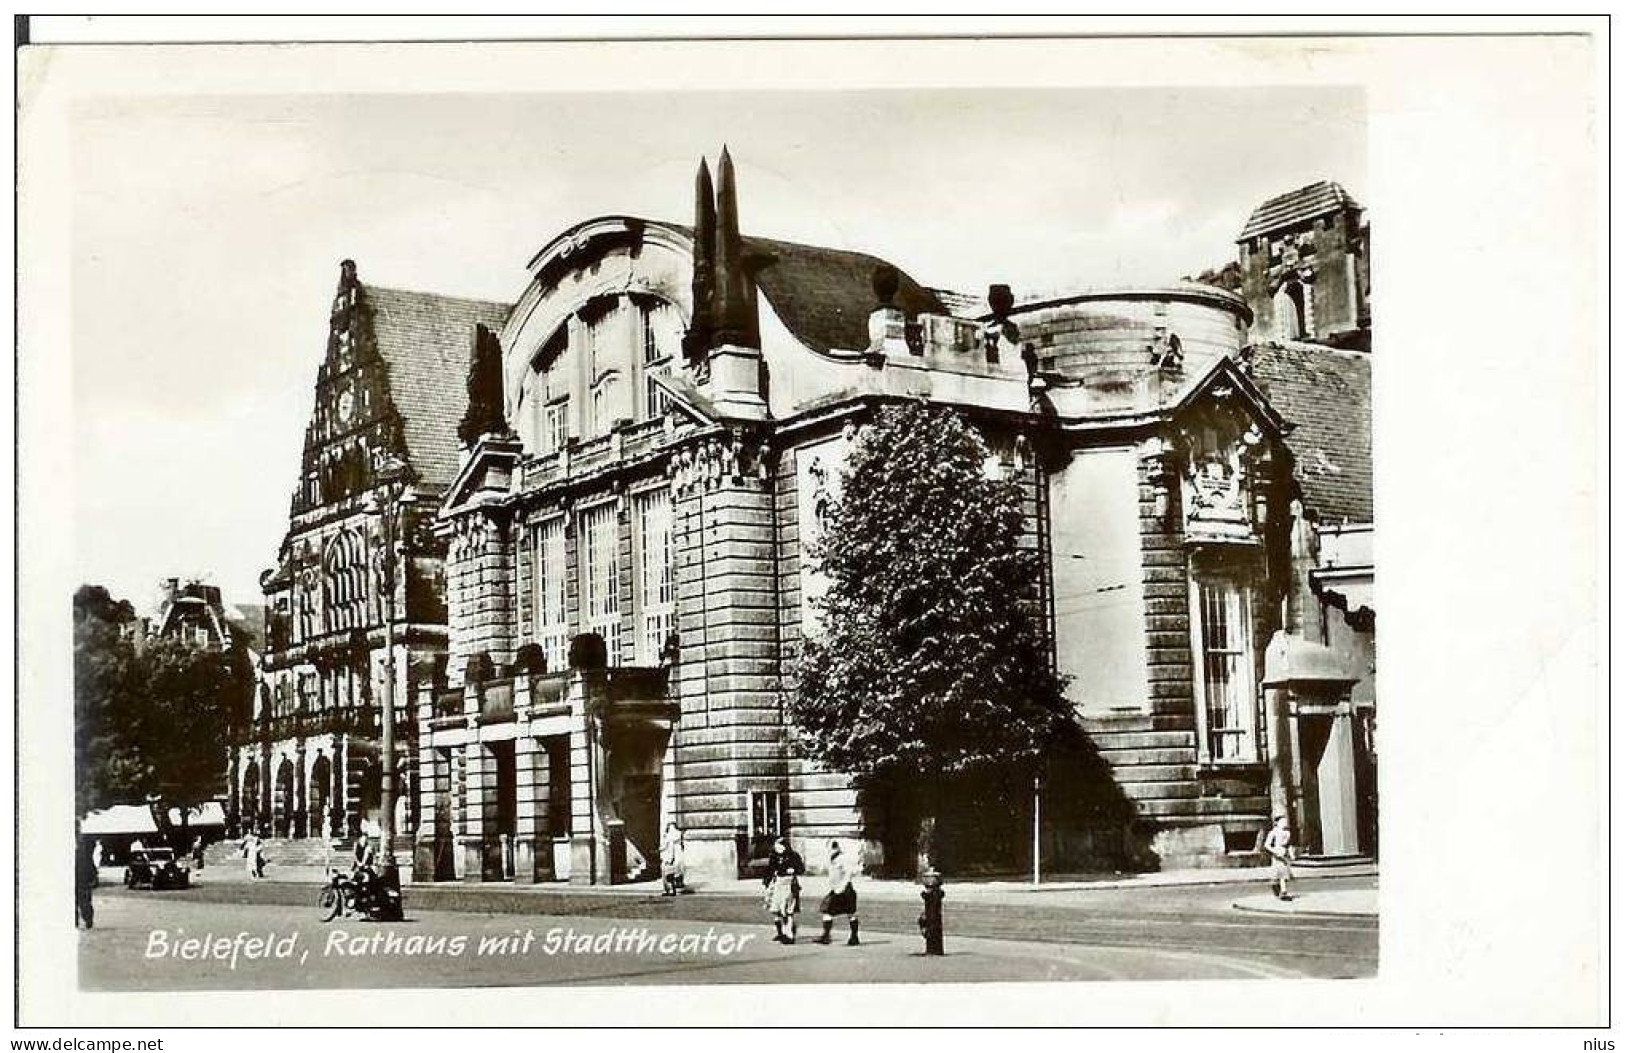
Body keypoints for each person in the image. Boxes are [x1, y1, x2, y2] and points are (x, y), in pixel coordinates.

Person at [815, 840, 860, 946]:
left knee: (850, 912)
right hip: (835, 889)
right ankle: (826, 935)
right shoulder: (832, 859)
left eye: (830, 848)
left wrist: (842, 887)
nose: (828, 851)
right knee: (827, 910)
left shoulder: (842, 858)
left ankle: (854, 936)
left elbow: (849, 873)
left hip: (844, 890)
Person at [761, 837, 805, 945]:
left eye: (780, 846)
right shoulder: (774, 856)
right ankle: (781, 933)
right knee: (776, 909)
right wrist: (767, 882)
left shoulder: (793, 856)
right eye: (776, 846)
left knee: (787, 910)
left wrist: (794, 870)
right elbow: (770, 869)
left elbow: (801, 868)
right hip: (778, 884)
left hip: (789, 884)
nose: (778, 848)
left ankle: (789, 934)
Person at [1263, 815, 1294, 901]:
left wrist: (1291, 854)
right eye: (1282, 821)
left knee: (1284, 874)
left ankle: (1284, 892)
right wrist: (1275, 852)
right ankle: (1278, 889)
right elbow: (1266, 845)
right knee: (1277, 873)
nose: (1284, 823)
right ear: (1277, 823)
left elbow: (1288, 844)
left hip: (1284, 854)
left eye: (1285, 821)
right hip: (1277, 855)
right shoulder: (1273, 832)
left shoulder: (1287, 833)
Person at [75, 837, 98, 929]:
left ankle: (81, 921)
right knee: (84, 900)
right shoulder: (85, 851)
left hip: (80, 876)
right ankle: (87, 920)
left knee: (80, 900)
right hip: (82, 877)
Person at [659, 822, 686, 897]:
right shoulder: (671, 837)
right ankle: (669, 889)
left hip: (670, 857)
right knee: (668, 874)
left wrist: (670, 858)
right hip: (669, 856)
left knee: (668, 874)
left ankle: (669, 889)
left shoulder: (671, 838)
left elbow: (666, 848)